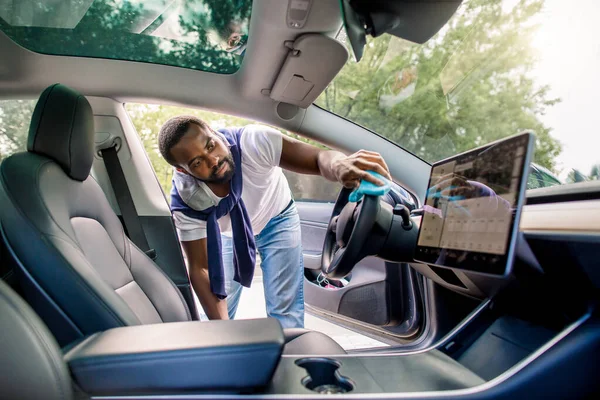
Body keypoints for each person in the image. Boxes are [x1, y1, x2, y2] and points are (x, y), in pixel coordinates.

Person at [158, 117, 390, 328]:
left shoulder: (253, 142)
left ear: (215, 132)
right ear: (183, 170)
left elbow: (320, 158)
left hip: (277, 217)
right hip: (228, 235)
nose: (214, 159)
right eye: (198, 162)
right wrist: (223, 332)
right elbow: (201, 268)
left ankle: (289, 361)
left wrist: (340, 165)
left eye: (211, 145)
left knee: (284, 312)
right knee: (216, 314)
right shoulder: (186, 200)